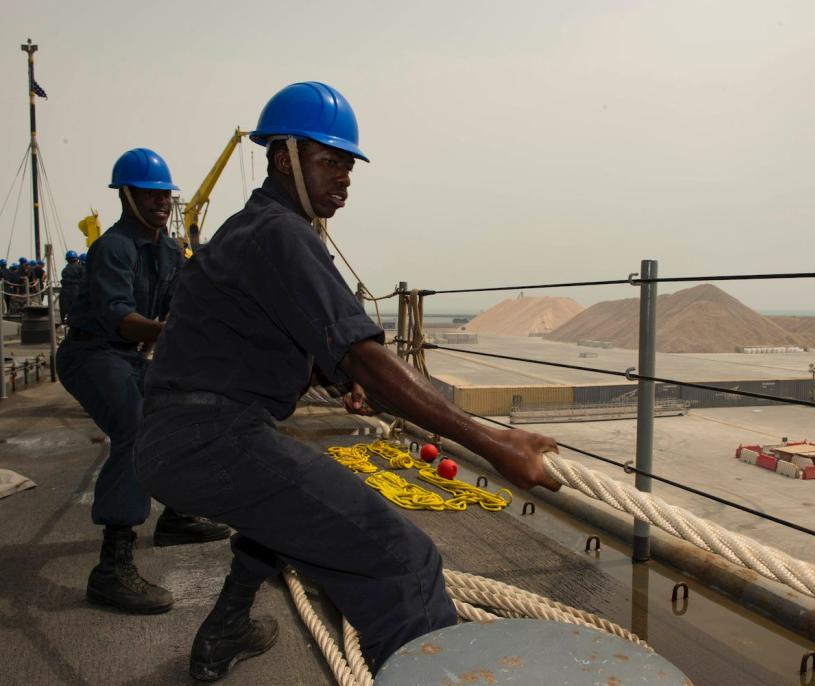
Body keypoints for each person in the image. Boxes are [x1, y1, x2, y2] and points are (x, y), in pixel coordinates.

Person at [135, 82, 562, 682]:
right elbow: (364, 357)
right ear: (284, 159)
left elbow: (251, 336)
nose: (344, 177)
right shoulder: (282, 235)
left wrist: (324, 373)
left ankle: (228, 627)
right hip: (212, 437)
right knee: (404, 563)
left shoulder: (255, 228)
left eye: (348, 165)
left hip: (182, 436)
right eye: (329, 161)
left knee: (281, 519)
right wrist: (495, 444)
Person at [57, 148, 230, 616]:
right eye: (150, 195)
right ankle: (112, 565)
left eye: (165, 196)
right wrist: (177, 333)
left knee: (178, 413)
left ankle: (175, 515)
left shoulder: (169, 249)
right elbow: (120, 319)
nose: (161, 203)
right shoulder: (112, 248)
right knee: (134, 428)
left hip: (129, 354)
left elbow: (182, 301)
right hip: (91, 354)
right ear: (126, 195)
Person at [59, 250, 83, 324]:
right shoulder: (80, 268)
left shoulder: (64, 270)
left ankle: (66, 324)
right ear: (76, 259)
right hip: (76, 290)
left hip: (64, 291)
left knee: (65, 311)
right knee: (78, 311)